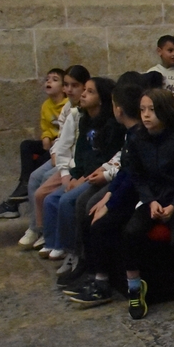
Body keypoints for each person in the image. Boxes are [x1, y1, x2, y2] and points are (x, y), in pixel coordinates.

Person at [65, 82, 146, 307]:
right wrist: (108, 196)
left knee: (101, 223)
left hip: (141, 196)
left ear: (118, 109)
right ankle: (92, 274)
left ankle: (102, 284)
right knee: (93, 210)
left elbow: (132, 177)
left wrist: (111, 204)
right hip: (125, 190)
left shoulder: (139, 136)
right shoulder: (132, 135)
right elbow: (123, 172)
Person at [121, 89, 174, 324]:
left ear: (164, 111)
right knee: (130, 232)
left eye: (152, 110)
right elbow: (137, 176)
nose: (146, 116)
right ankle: (134, 288)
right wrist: (150, 200)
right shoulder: (135, 139)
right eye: (142, 110)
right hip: (151, 199)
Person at [45, 77, 124, 270]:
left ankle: (76, 254)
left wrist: (82, 179)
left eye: (89, 91)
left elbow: (103, 158)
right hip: (83, 174)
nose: (83, 94)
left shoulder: (111, 125)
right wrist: (73, 175)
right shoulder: (85, 119)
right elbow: (80, 154)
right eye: (85, 90)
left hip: (98, 175)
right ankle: (62, 246)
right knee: (51, 199)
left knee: (68, 201)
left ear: (102, 98)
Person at [0, 68, 68, 219]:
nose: (49, 81)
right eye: (47, 79)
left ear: (64, 87)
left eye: (55, 79)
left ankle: (13, 203)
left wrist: (54, 141)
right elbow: (46, 127)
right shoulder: (46, 105)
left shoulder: (67, 105)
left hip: (62, 147)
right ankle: (24, 183)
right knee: (27, 145)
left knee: (42, 164)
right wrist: (46, 136)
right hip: (51, 145)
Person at [22, 65, 89, 250]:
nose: (68, 90)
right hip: (63, 159)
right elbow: (62, 138)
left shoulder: (86, 112)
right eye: (66, 85)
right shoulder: (69, 109)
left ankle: (53, 235)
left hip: (77, 163)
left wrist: (66, 168)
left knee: (46, 185)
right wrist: (55, 154)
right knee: (35, 177)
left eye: (73, 85)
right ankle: (38, 229)